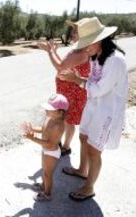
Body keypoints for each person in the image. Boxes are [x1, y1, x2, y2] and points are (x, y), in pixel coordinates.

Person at [58, 17, 128, 201]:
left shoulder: (115, 61)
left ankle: (89, 187)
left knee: (94, 150)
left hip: (106, 111)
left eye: (87, 43)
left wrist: (77, 80)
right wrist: (80, 79)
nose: (84, 48)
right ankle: (82, 170)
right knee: (83, 137)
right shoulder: (97, 56)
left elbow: (98, 89)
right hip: (94, 106)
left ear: (98, 40)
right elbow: (93, 84)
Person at [38, 20, 90, 157]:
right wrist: (54, 51)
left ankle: (66, 147)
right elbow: (63, 64)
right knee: (65, 119)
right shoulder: (78, 50)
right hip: (67, 91)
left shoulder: (81, 53)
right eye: (73, 31)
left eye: (76, 31)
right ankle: (61, 142)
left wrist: (49, 52)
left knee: (69, 120)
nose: (72, 34)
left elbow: (60, 67)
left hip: (73, 93)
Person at [21, 94, 69, 201]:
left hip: (51, 152)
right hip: (46, 150)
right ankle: (43, 186)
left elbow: (50, 144)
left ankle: (47, 194)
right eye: (47, 107)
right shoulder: (50, 117)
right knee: (45, 170)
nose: (46, 110)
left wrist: (32, 138)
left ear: (60, 112)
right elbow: (43, 129)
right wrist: (32, 129)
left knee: (48, 174)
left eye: (50, 109)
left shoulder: (58, 126)